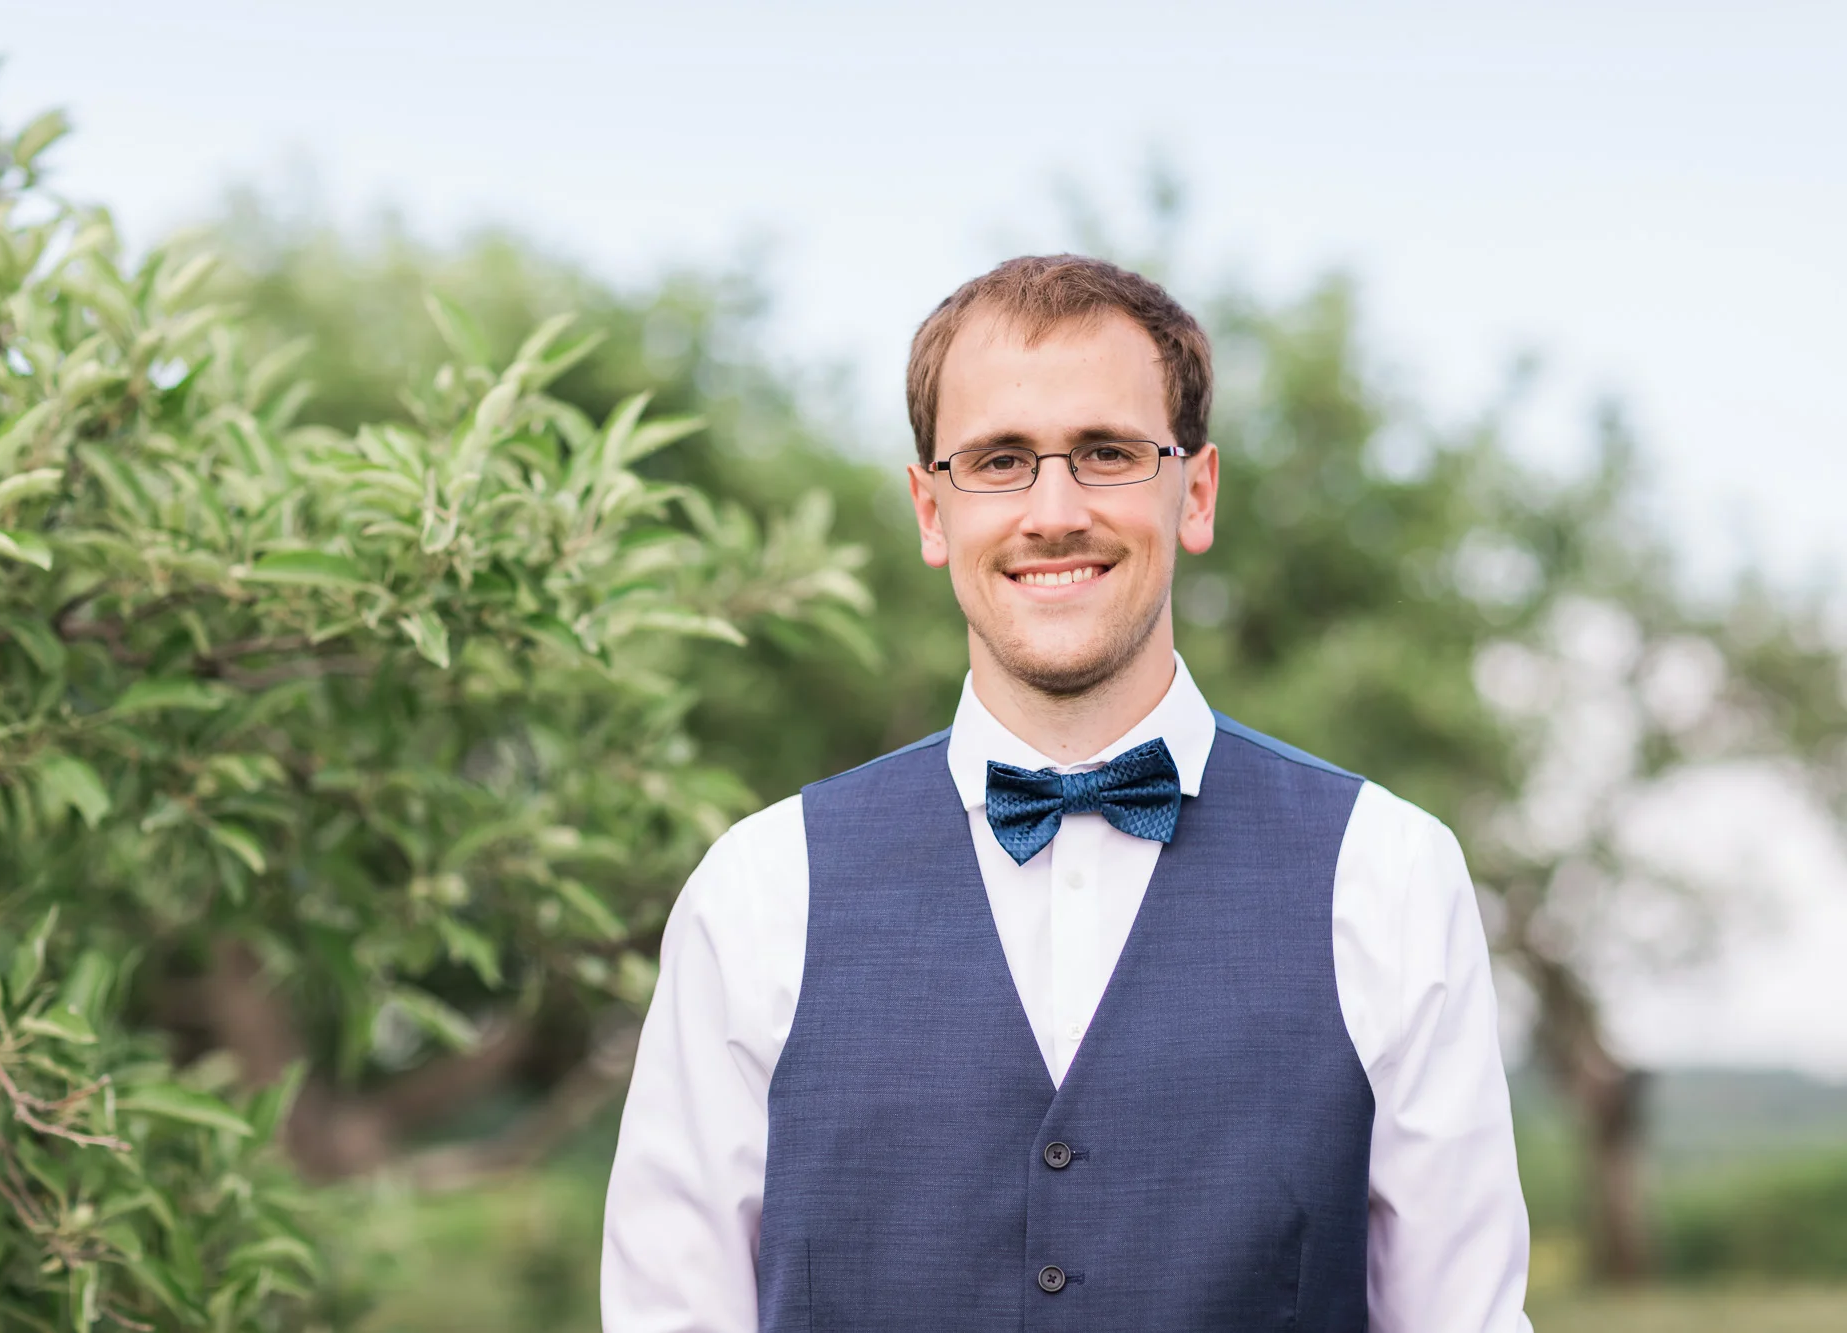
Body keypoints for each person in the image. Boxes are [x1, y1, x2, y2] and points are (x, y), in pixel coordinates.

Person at [601, 254, 1531, 1331]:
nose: (1053, 511)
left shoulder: (1387, 871)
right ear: (930, 509)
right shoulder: (760, 890)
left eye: (1106, 453)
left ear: (1196, 492)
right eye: (998, 459)